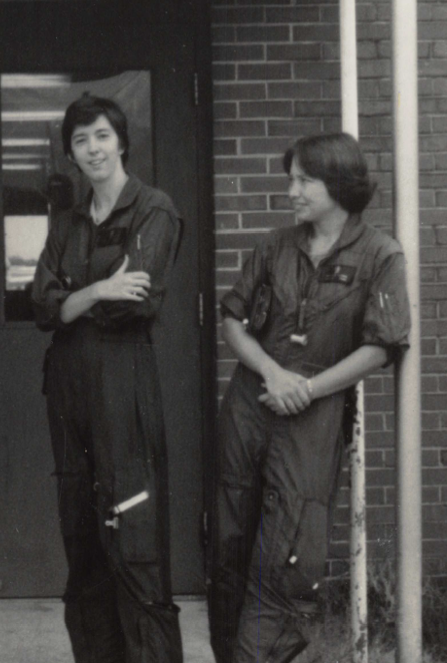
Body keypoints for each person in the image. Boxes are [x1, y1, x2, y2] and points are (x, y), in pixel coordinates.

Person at [207, 133, 411, 663]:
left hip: (313, 418)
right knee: (229, 544)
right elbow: (232, 320)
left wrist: (308, 388)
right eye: (290, 178)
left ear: (339, 185)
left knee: (290, 549)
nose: (291, 190)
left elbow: (382, 347)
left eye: (304, 180)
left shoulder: (380, 254)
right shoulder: (274, 246)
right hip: (251, 406)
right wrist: (273, 373)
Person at [31, 94, 184, 663]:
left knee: (135, 545)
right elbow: (41, 305)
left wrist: (75, 299)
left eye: (100, 136)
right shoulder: (67, 221)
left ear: (121, 140)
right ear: (69, 152)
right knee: (85, 544)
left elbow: (135, 303)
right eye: (79, 139)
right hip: (69, 392)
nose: (92, 149)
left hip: (123, 385)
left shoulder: (154, 210)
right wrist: (96, 289)